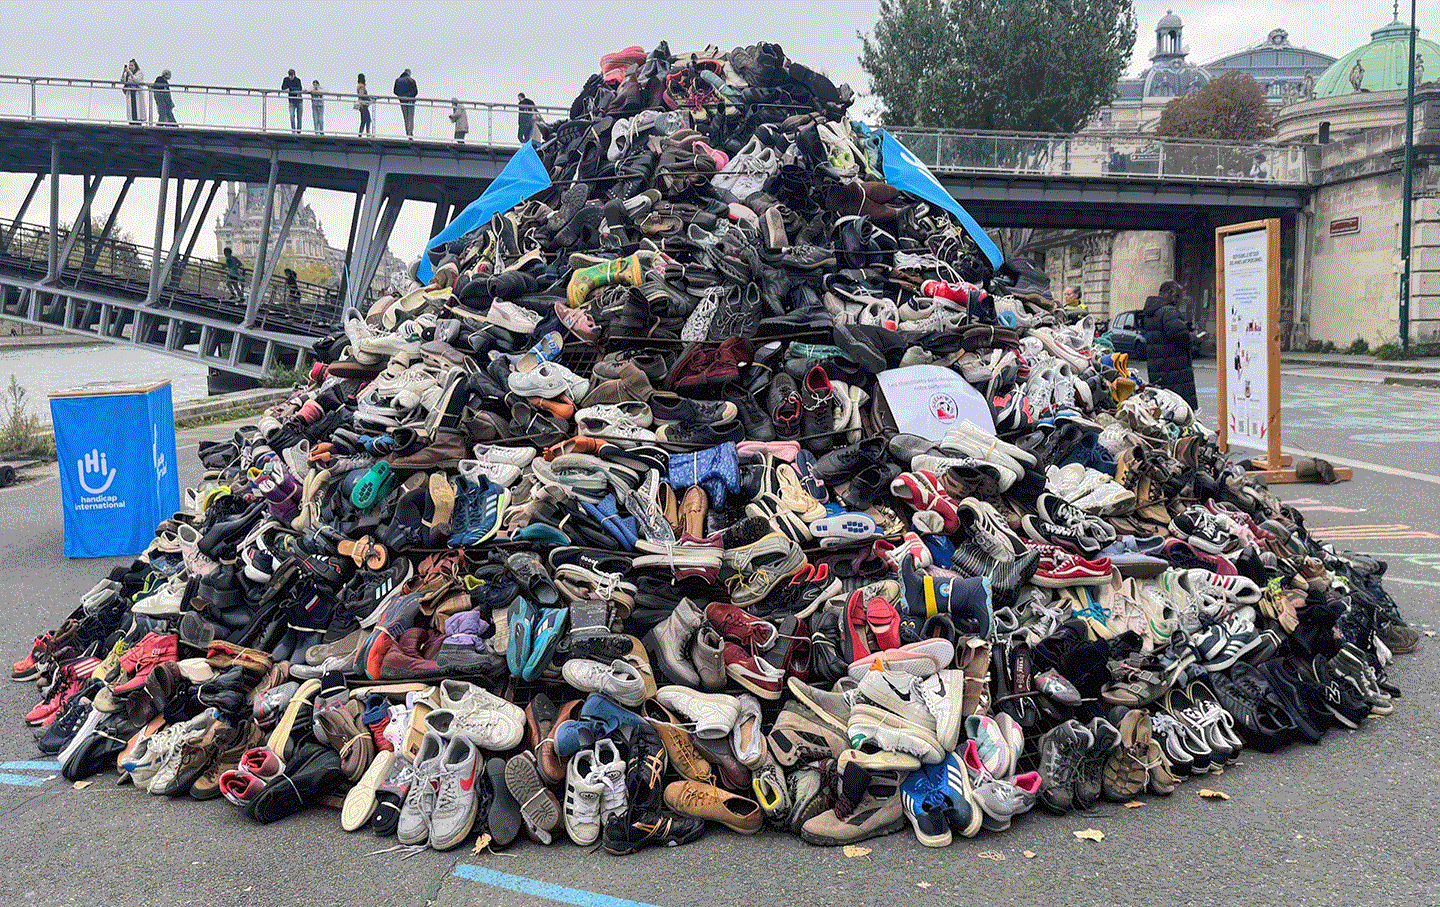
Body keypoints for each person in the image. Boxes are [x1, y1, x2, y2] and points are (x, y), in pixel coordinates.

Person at [1140, 280, 1198, 408]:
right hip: (1176, 373)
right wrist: (1195, 338)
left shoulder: (1150, 313)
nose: (1177, 301)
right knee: (1182, 410)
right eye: (1177, 296)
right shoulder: (1168, 312)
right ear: (1170, 292)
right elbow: (1181, 336)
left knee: (1166, 409)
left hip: (1158, 371)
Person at [394, 69, 417, 138]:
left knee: (405, 117)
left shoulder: (398, 80)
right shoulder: (412, 80)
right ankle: (410, 133)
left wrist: (401, 96)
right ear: (409, 73)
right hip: (410, 101)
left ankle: (407, 132)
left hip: (402, 100)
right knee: (410, 117)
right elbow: (415, 92)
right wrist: (409, 96)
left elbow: (395, 91)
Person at [121, 60, 146, 125]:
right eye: (129, 66)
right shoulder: (128, 75)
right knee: (131, 110)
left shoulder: (139, 73)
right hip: (130, 93)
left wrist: (131, 73)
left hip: (137, 93)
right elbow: (122, 81)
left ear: (135, 66)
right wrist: (124, 72)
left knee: (138, 111)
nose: (130, 67)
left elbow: (137, 80)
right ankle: (132, 122)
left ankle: (138, 122)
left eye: (132, 65)